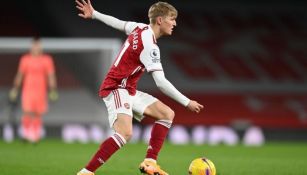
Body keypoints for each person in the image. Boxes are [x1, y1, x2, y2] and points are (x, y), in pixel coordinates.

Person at [75, 0, 204, 175]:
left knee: (166, 114)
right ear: (160, 20)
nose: (175, 23)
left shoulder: (140, 28)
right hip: (116, 87)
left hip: (128, 89)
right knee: (125, 133)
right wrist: (187, 102)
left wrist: (95, 14)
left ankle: (150, 162)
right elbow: (161, 82)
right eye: (172, 19)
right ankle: (86, 172)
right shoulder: (150, 45)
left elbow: (119, 23)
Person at [9, 37, 58, 143]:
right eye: (34, 46)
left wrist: (52, 89)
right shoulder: (25, 59)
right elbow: (20, 75)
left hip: (41, 90)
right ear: (31, 47)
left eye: (38, 46)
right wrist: (15, 89)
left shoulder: (47, 59)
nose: (36, 48)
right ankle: (26, 133)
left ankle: (35, 135)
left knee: (37, 113)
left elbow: (51, 75)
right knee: (27, 111)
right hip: (28, 90)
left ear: (40, 47)